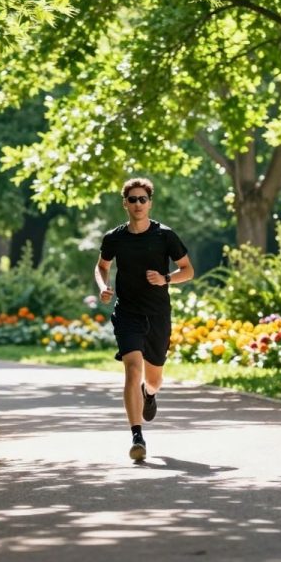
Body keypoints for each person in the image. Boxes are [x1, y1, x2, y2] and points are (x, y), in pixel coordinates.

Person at [95, 178, 193, 461]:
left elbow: (187, 270)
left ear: (150, 203)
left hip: (158, 314)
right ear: (124, 204)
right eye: (132, 199)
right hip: (127, 313)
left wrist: (165, 278)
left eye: (143, 199)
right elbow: (101, 266)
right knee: (132, 369)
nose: (138, 204)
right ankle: (137, 436)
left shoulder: (165, 236)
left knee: (154, 380)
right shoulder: (114, 238)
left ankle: (149, 394)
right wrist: (103, 287)